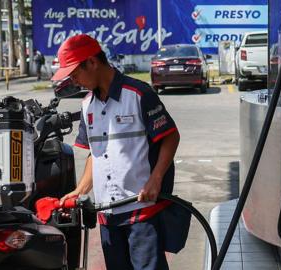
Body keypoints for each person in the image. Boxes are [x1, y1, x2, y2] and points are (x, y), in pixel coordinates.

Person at [53, 34, 180, 270]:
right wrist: (80, 190)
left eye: (75, 73)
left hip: (141, 212)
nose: (74, 80)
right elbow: (95, 153)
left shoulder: (139, 94)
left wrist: (155, 179)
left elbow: (170, 136)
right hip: (107, 215)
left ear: (92, 62)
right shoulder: (86, 105)